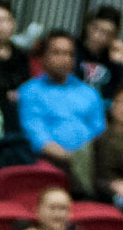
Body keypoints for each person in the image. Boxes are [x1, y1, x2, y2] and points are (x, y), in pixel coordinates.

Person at [17, 30, 103, 178]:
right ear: (44, 57)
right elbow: (39, 138)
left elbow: (99, 132)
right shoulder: (30, 91)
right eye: (57, 53)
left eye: (69, 54)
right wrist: (74, 160)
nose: (64, 59)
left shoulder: (89, 93)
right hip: (49, 162)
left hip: (91, 163)